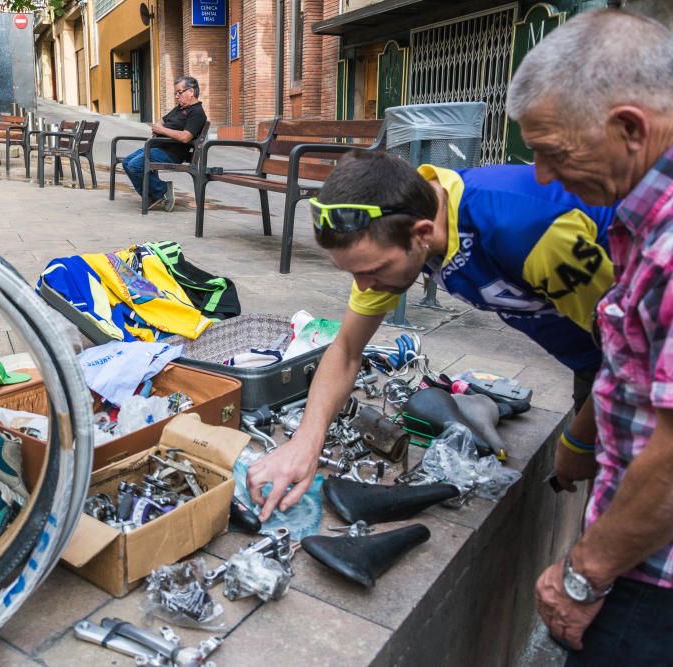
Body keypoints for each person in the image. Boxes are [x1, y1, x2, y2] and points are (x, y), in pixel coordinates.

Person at [246, 150, 617, 523]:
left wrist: (579, 439)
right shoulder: (401, 229)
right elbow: (345, 350)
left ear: (422, 233)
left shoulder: (528, 229)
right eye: (353, 273)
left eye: (373, 270)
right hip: (598, 353)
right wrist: (304, 445)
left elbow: (638, 356)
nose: (365, 286)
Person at [506, 9, 673, 663]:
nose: (544, 176)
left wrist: (583, 573)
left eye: (553, 151)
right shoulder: (641, 215)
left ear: (629, 127)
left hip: (650, 581)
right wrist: (585, 433)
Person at [121, 75, 207, 212]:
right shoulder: (179, 109)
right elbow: (162, 120)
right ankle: (153, 196)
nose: (177, 96)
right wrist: (158, 127)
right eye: (176, 93)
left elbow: (185, 137)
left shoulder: (197, 113)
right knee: (126, 162)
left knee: (135, 165)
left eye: (179, 92)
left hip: (172, 152)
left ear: (191, 92)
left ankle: (162, 190)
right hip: (157, 146)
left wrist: (162, 130)